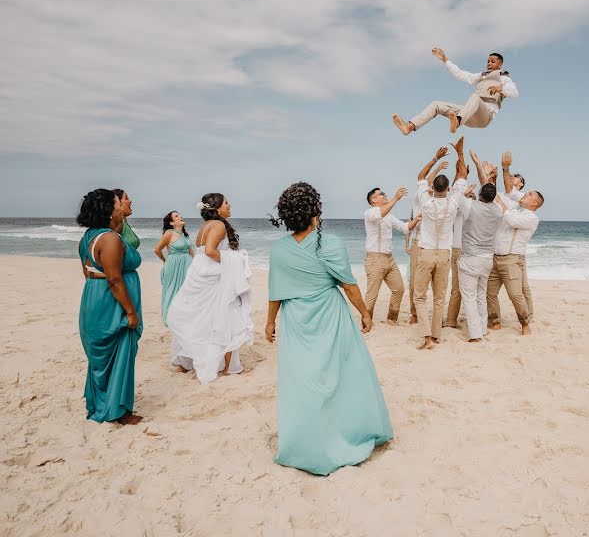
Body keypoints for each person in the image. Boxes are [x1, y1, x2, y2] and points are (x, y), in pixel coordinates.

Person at [266, 182, 393, 475]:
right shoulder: (329, 243)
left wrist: (270, 322)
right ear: (314, 211)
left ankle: (306, 439)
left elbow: (275, 291)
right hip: (329, 316)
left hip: (295, 319)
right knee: (341, 375)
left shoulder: (279, 249)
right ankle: (343, 433)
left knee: (303, 379)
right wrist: (365, 313)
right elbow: (348, 285)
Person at [167, 193, 253, 383]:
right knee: (229, 316)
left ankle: (190, 360)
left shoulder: (205, 226)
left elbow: (201, 253)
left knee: (204, 319)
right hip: (213, 277)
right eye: (226, 203)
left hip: (199, 273)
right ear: (217, 208)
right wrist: (236, 261)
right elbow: (210, 251)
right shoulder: (219, 225)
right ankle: (229, 368)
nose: (230, 205)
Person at [76, 189, 143, 424]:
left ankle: (103, 403)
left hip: (94, 298)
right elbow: (114, 279)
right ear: (108, 211)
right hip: (112, 303)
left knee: (102, 358)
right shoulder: (110, 239)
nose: (119, 208)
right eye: (116, 204)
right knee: (118, 352)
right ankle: (117, 412)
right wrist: (130, 311)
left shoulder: (89, 237)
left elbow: (88, 271)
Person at [413, 139, 468, 349]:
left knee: (420, 297)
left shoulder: (426, 201)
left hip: (427, 252)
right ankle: (436, 335)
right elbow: (462, 175)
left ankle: (427, 337)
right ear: (447, 188)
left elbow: (420, 177)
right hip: (444, 254)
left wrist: (436, 158)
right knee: (438, 297)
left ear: (433, 187)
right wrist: (460, 154)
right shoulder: (453, 202)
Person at [393, 48, 518, 135]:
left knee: (475, 97)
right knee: (436, 104)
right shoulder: (481, 76)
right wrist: (445, 60)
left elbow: (514, 92)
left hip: (485, 117)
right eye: (488, 61)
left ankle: (457, 122)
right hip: (470, 115)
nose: (489, 64)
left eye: (493, 61)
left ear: (499, 65)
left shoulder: (503, 77)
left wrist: (501, 88)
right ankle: (409, 127)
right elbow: (460, 74)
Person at [487, 151, 543, 335]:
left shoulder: (531, 218)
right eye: (525, 194)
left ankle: (525, 323)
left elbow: (510, 219)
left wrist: (503, 206)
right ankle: (495, 321)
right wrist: (503, 169)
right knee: (490, 293)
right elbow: (506, 192)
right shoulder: (514, 206)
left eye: (528, 195)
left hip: (512, 260)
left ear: (534, 204)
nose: (524, 196)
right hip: (496, 257)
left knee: (516, 295)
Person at [456, 151, 505, 342]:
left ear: (479, 195)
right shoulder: (498, 211)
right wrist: (480, 168)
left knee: (469, 297)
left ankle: (475, 334)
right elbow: (489, 189)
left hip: (470, 258)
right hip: (487, 259)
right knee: (480, 295)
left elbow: (456, 194)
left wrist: (475, 165)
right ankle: (483, 329)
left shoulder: (470, 206)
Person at [364, 186, 420, 325]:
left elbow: (405, 228)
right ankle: (366, 322)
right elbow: (379, 214)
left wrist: (417, 219)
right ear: (374, 200)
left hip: (390, 259)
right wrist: (396, 198)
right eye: (381, 194)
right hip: (374, 259)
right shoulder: (369, 213)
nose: (384, 195)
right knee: (372, 295)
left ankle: (391, 319)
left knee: (399, 289)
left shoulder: (389, 217)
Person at [406, 160, 448, 325]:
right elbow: (423, 180)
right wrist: (437, 167)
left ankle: (439, 317)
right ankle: (414, 313)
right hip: (419, 243)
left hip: (437, 246)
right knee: (415, 281)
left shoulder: (442, 201)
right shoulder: (420, 198)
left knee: (438, 285)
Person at [153, 211, 194, 326]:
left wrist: (196, 264)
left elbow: (191, 252)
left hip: (187, 264)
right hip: (174, 265)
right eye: (176, 216)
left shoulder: (184, 234)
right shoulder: (169, 233)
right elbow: (157, 250)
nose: (180, 216)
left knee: (186, 290)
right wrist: (166, 262)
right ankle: (171, 318)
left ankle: (185, 317)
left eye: (180, 215)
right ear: (171, 222)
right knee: (172, 290)